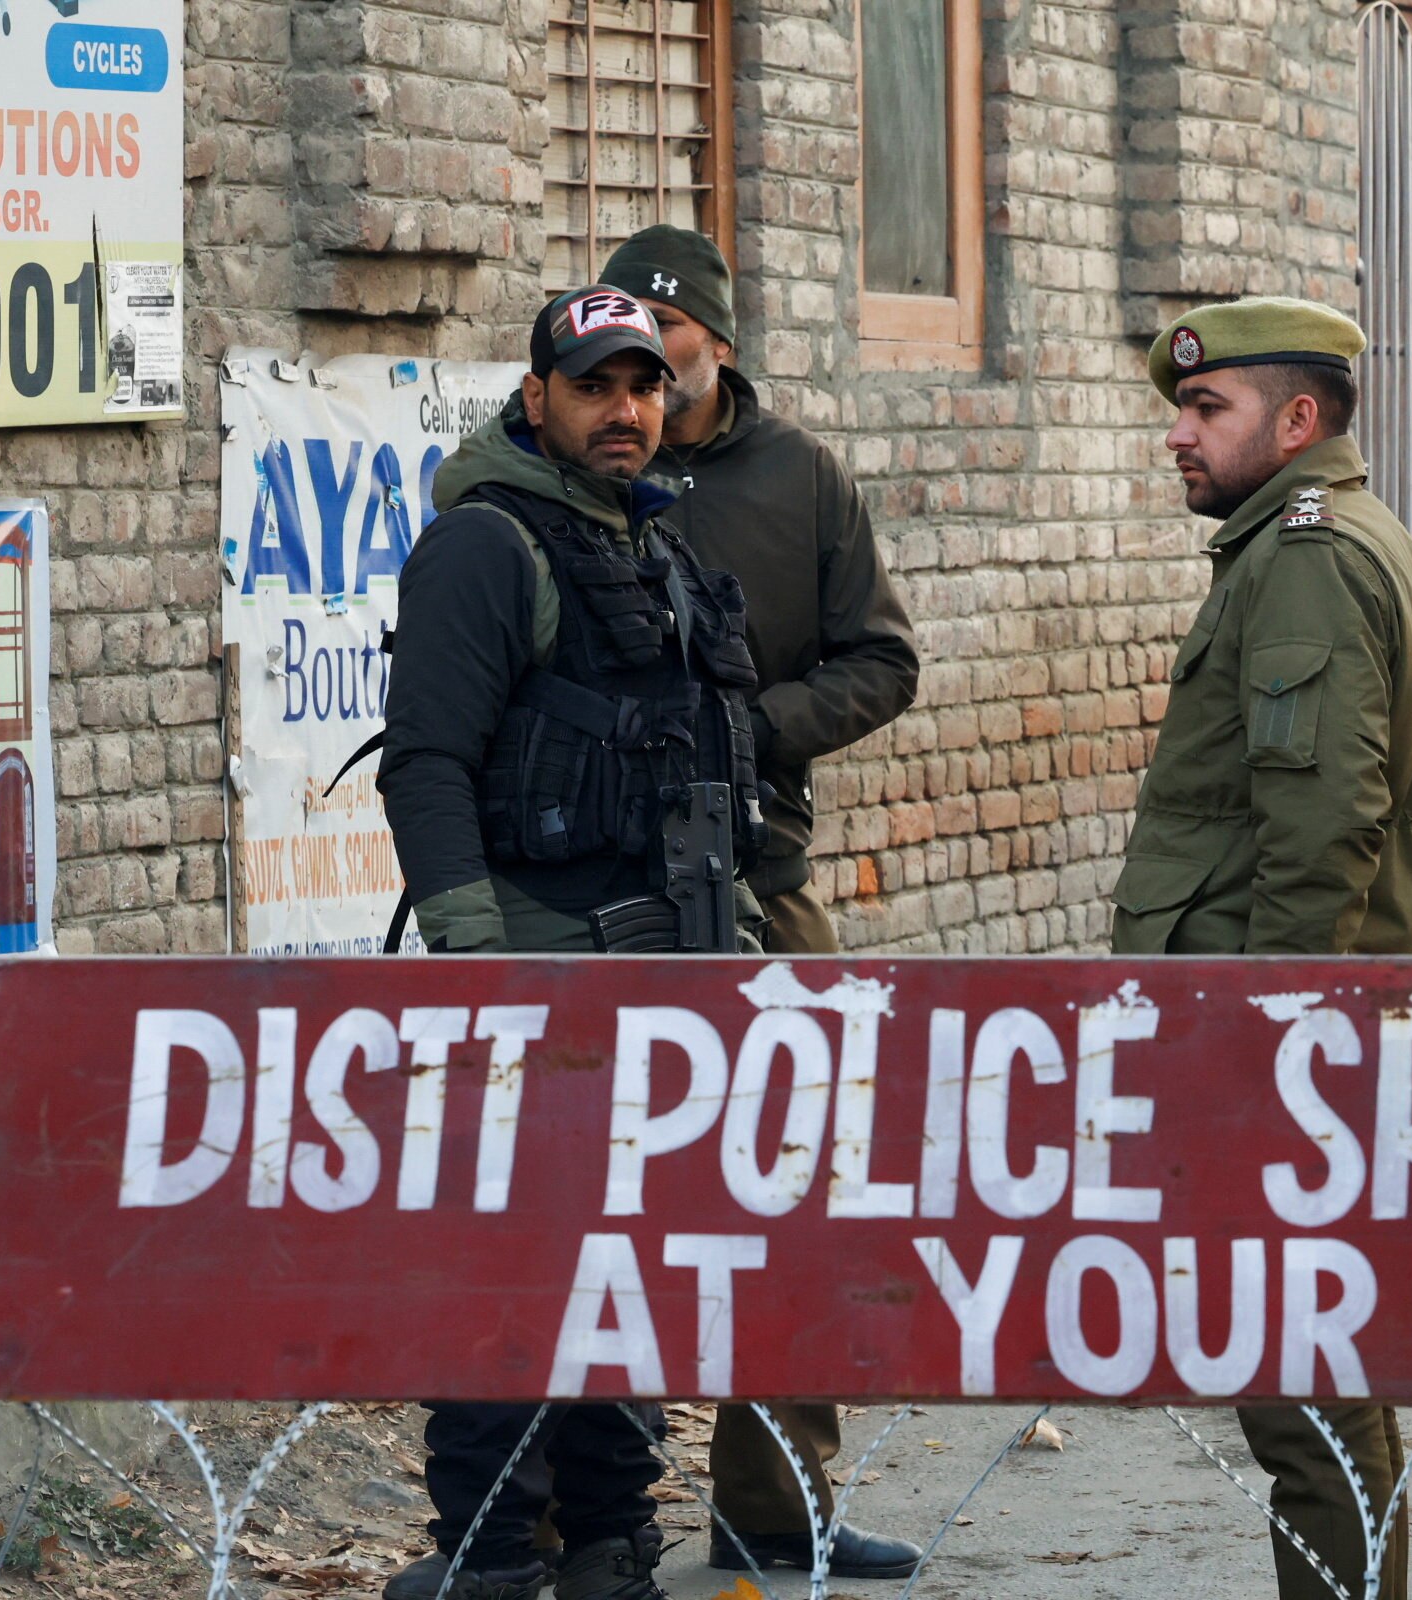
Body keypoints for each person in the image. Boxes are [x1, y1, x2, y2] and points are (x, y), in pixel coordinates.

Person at [375, 285, 768, 1600]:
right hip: (537, 982)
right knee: (510, 1284)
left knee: (622, 1285)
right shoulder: (489, 548)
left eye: (646, 387)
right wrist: (481, 970)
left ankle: (608, 1545)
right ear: (536, 400)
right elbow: (427, 766)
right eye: (595, 386)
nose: (625, 411)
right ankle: (487, 1557)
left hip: (658, 978)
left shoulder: (650, 547)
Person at [592, 225, 925, 1581]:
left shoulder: (801, 482)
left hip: (761, 879)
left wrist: (754, 728)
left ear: (714, 345)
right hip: (601, 893)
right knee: (595, 1202)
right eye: (616, 357)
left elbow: (885, 658)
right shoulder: (573, 467)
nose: (640, 388)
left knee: (795, 1193)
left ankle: (778, 1506)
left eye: (662, 354)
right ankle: (577, 1515)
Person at [1111, 296, 1412, 1600]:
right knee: (1311, 1370)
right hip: (1284, 1033)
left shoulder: (1307, 553)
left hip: (1276, 1046)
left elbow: (1321, 834)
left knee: (1302, 1381)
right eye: (1179, 414)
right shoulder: (1311, 542)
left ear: (1296, 420)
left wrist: (1274, 1047)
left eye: (1207, 411)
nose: (1179, 439)